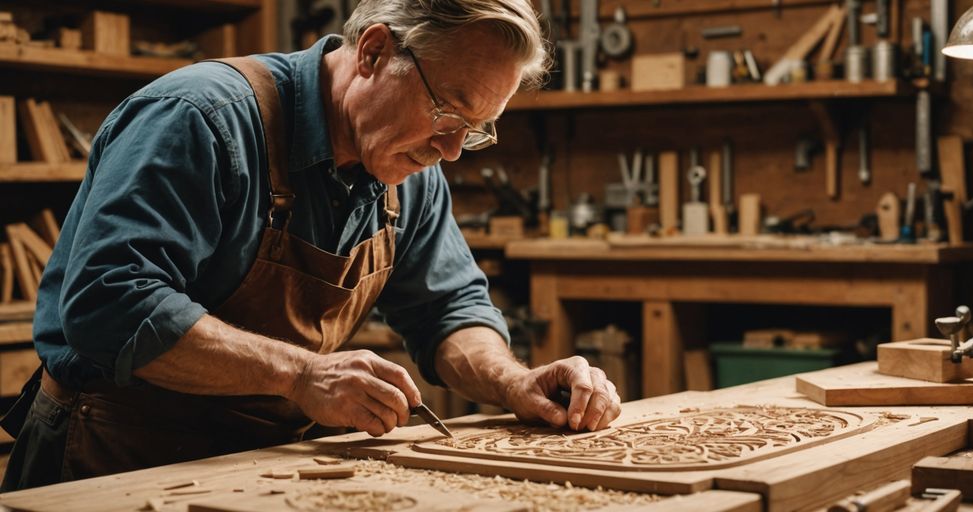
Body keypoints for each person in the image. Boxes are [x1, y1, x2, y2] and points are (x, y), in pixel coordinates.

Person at [1, 0, 622, 491]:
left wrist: (513, 382)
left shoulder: (410, 168)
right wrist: (300, 373)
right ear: (375, 51)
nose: (452, 150)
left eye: (476, 131)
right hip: (112, 451)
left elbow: (450, 310)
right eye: (447, 111)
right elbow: (109, 307)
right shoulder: (199, 117)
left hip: (257, 464)